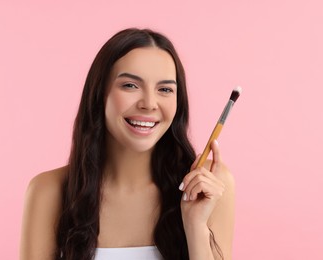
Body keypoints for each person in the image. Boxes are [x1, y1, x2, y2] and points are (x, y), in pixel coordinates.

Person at [20, 28, 235, 260]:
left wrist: (195, 227)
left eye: (165, 89)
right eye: (130, 86)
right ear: (100, 94)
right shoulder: (48, 191)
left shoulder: (209, 186)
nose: (149, 104)